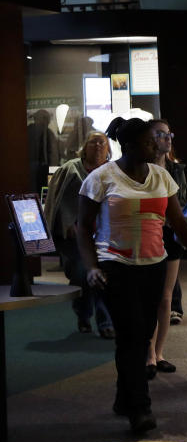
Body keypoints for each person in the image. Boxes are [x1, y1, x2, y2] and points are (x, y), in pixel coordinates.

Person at [77, 117, 187, 434]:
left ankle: (124, 397)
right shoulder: (101, 178)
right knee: (132, 336)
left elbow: (179, 223)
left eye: (156, 140)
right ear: (129, 146)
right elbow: (82, 228)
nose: (156, 146)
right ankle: (140, 408)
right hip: (115, 266)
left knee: (141, 335)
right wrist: (92, 267)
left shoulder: (162, 177)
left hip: (154, 265)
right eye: (150, 141)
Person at [43, 131, 114, 338]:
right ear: (85, 146)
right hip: (74, 236)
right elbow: (57, 201)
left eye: (103, 143)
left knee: (103, 274)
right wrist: (68, 223)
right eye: (93, 142)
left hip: (104, 234)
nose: (98, 146)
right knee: (83, 274)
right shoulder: (70, 169)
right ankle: (83, 314)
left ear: (108, 148)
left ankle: (105, 321)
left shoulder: (112, 171)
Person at [145, 119, 186, 379]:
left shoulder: (177, 168)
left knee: (166, 297)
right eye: (160, 134)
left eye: (169, 133)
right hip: (147, 235)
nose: (166, 138)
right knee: (149, 296)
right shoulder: (139, 168)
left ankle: (159, 353)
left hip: (170, 235)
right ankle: (148, 354)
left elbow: (182, 201)